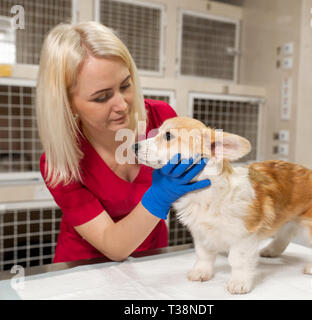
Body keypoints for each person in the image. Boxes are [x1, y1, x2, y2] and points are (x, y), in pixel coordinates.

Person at [36, 21, 211, 263]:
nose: (122, 105)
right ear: (68, 102)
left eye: (126, 85)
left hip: (151, 259)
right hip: (83, 269)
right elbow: (114, 247)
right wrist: (159, 197)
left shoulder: (161, 120)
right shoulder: (60, 161)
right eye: (102, 97)